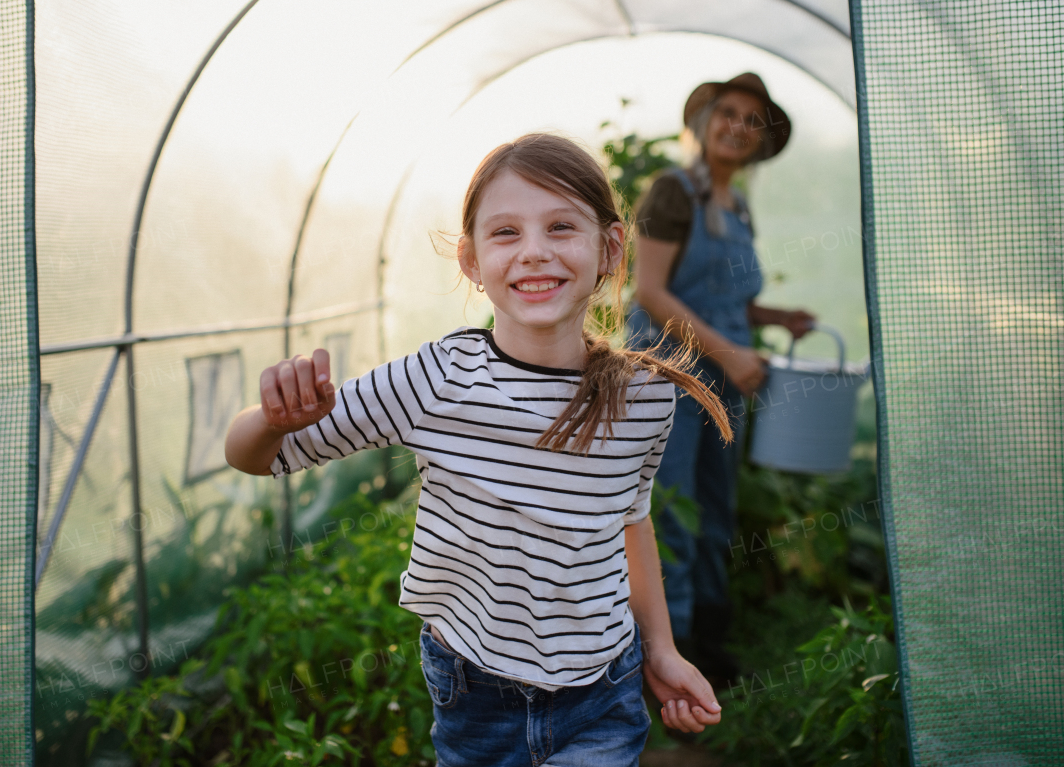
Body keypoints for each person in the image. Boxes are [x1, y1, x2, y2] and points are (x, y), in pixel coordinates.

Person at [226, 134, 732, 764]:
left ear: (609, 248)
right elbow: (256, 455)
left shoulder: (646, 399)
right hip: (475, 694)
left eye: (561, 226)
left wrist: (661, 649)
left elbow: (630, 523)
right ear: (469, 259)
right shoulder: (437, 380)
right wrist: (272, 419)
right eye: (505, 233)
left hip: (605, 690)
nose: (535, 252)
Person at [627, 73, 815, 683]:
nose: (738, 125)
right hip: (669, 377)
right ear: (704, 122)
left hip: (726, 379)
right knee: (674, 505)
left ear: (760, 142)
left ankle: (709, 634)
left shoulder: (736, 206)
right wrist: (730, 351)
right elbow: (651, 292)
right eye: (728, 112)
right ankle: (665, 650)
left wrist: (773, 317)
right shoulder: (672, 192)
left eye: (752, 120)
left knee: (716, 504)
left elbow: (719, 298)